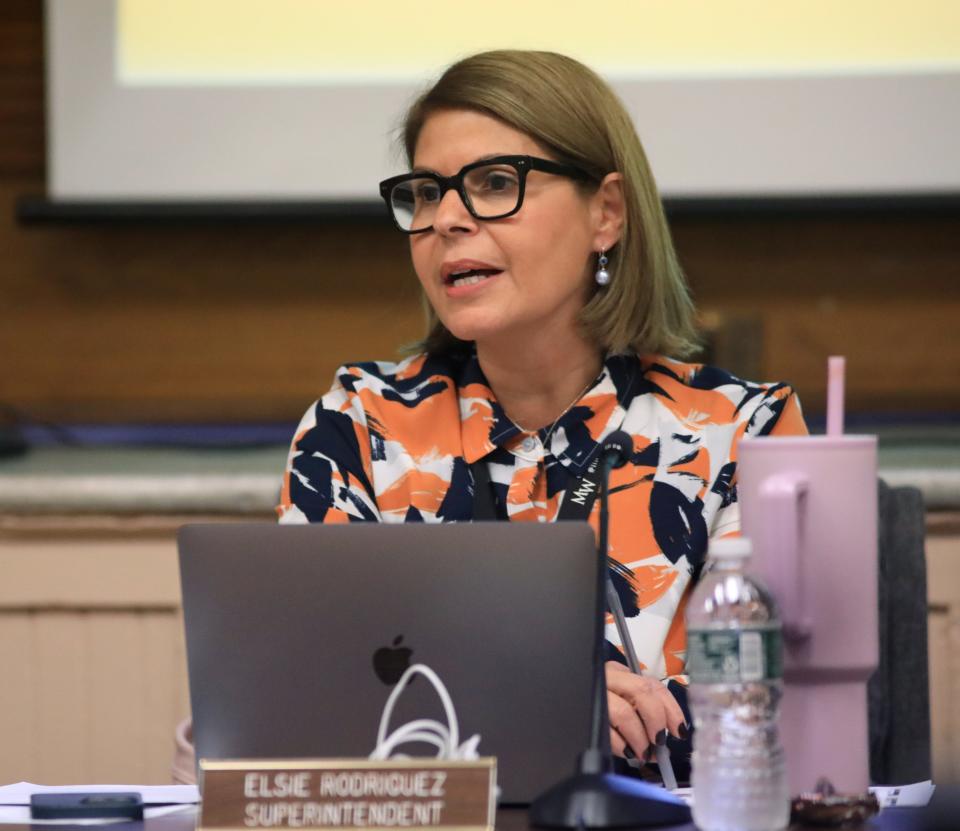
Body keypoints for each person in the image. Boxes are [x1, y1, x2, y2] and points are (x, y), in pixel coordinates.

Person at [173, 50, 806, 784]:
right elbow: (307, 706)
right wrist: (557, 706)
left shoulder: (741, 433)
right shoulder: (359, 429)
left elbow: (771, 715)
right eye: (424, 192)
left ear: (606, 213)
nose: (445, 219)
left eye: (494, 184)